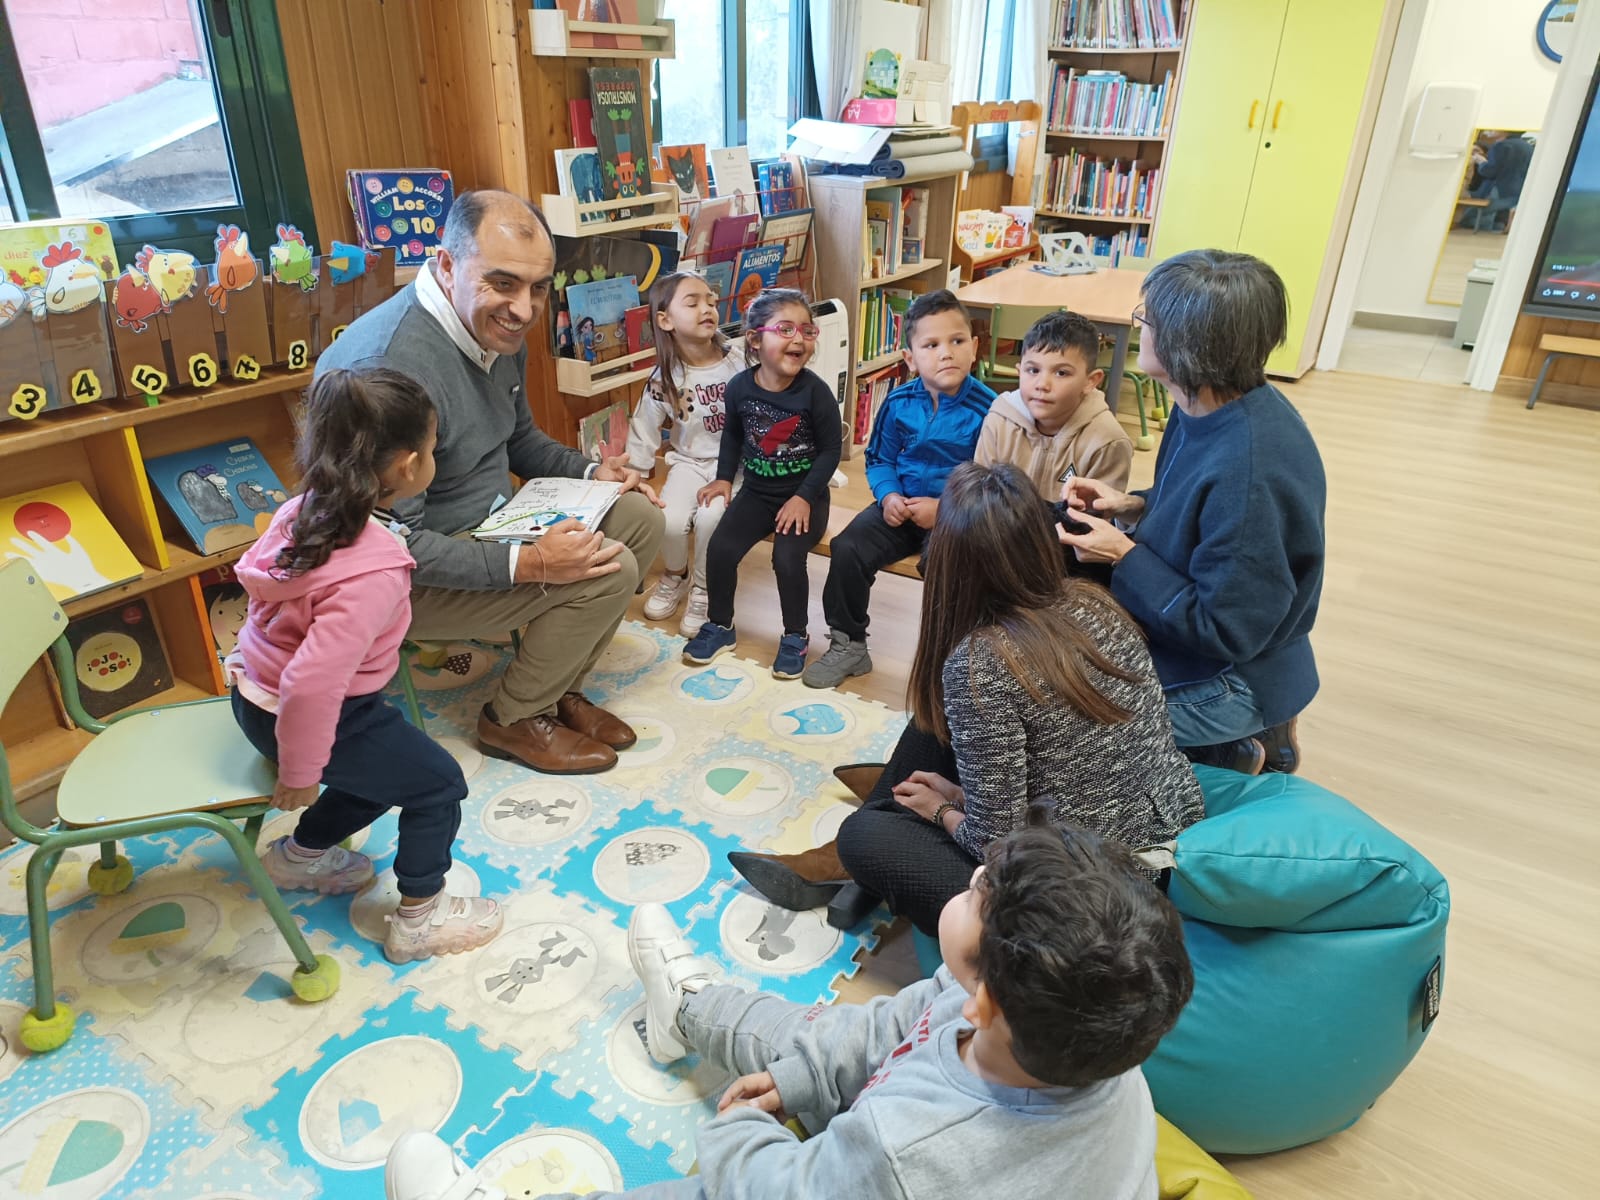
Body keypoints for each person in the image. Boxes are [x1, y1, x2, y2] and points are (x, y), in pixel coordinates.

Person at [384, 818, 1194, 1200]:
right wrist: (802, 1080)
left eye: (978, 890)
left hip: (879, 1175)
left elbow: (775, 1189)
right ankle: (692, 1007)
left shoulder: (901, 1153)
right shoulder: (1069, 1037)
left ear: (986, 1001)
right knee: (810, 1039)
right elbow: (886, 1029)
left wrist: (741, 1126)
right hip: (903, 1131)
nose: (970, 879)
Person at [730, 462, 1204, 935]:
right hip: (1154, 835)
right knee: (934, 716)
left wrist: (943, 810)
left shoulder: (984, 663)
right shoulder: (1091, 599)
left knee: (864, 836)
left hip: (1088, 897)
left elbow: (995, 843)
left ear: (948, 561)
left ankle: (854, 849)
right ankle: (887, 804)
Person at [317, 189, 665, 776]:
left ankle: (555, 691)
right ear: (446, 264)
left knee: (640, 519)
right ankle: (511, 718)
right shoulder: (390, 370)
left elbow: (517, 438)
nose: (525, 309)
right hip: (401, 576)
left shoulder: (491, 327)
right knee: (612, 570)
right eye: (503, 284)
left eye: (538, 287)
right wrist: (530, 565)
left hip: (493, 525)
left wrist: (593, 473)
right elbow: (391, 547)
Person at [229, 369, 502, 965]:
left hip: (254, 697)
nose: (432, 458)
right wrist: (301, 771)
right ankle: (419, 918)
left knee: (387, 772)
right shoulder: (371, 572)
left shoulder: (302, 511)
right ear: (408, 467)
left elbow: (268, 605)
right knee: (439, 785)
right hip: (308, 715)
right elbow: (314, 681)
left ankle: (299, 859)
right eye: (432, 448)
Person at [1057, 248, 1325, 776]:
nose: (1140, 327)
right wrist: (1134, 506)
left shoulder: (1248, 467)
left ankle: (1232, 744)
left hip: (1234, 675)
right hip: (1223, 638)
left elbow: (1225, 629)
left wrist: (1125, 555)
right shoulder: (1202, 403)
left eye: (1147, 319)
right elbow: (1203, 518)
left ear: (1187, 344)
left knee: (1054, 714)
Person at [803, 289, 995, 689]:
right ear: (910, 359)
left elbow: (991, 480)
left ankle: (950, 661)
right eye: (931, 345)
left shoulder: (990, 410)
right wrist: (888, 495)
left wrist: (944, 509)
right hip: (900, 508)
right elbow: (879, 458)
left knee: (946, 568)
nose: (946, 353)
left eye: (957, 341)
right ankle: (849, 642)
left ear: (974, 348)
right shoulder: (898, 402)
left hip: (957, 515)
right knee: (848, 547)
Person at [683, 288, 842, 680]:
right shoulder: (739, 387)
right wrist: (723, 479)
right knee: (720, 549)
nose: (798, 339)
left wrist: (804, 498)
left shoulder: (815, 392)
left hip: (804, 497)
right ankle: (721, 625)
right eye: (785, 329)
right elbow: (733, 437)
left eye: (807, 331)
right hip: (756, 492)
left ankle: (795, 636)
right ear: (755, 339)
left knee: (786, 560)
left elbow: (829, 452)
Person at [627, 270, 746, 637]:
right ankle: (675, 575)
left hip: (736, 468)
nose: (706, 308)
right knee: (670, 518)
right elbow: (644, 427)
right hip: (689, 463)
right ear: (665, 320)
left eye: (710, 300)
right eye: (692, 303)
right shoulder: (666, 376)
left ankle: (703, 588)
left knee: (711, 520)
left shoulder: (739, 360)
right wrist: (636, 471)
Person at [974, 308, 1132, 499]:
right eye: (1033, 370)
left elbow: (1097, 517)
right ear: (1019, 371)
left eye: (1061, 373)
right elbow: (980, 500)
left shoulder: (1108, 441)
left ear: (1091, 381)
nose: (1042, 385)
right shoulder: (999, 420)